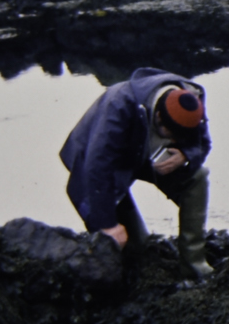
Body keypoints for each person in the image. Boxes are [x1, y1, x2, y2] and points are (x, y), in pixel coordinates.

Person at [60, 68, 213, 279]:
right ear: (158, 117)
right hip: (102, 167)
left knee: (198, 178)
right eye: (172, 136)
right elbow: (97, 169)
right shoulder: (119, 105)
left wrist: (186, 155)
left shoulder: (190, 102)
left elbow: (203, 144)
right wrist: (108, 224)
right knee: (135, 246)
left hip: (146, 156)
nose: (176, 140)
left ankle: (194, 267)